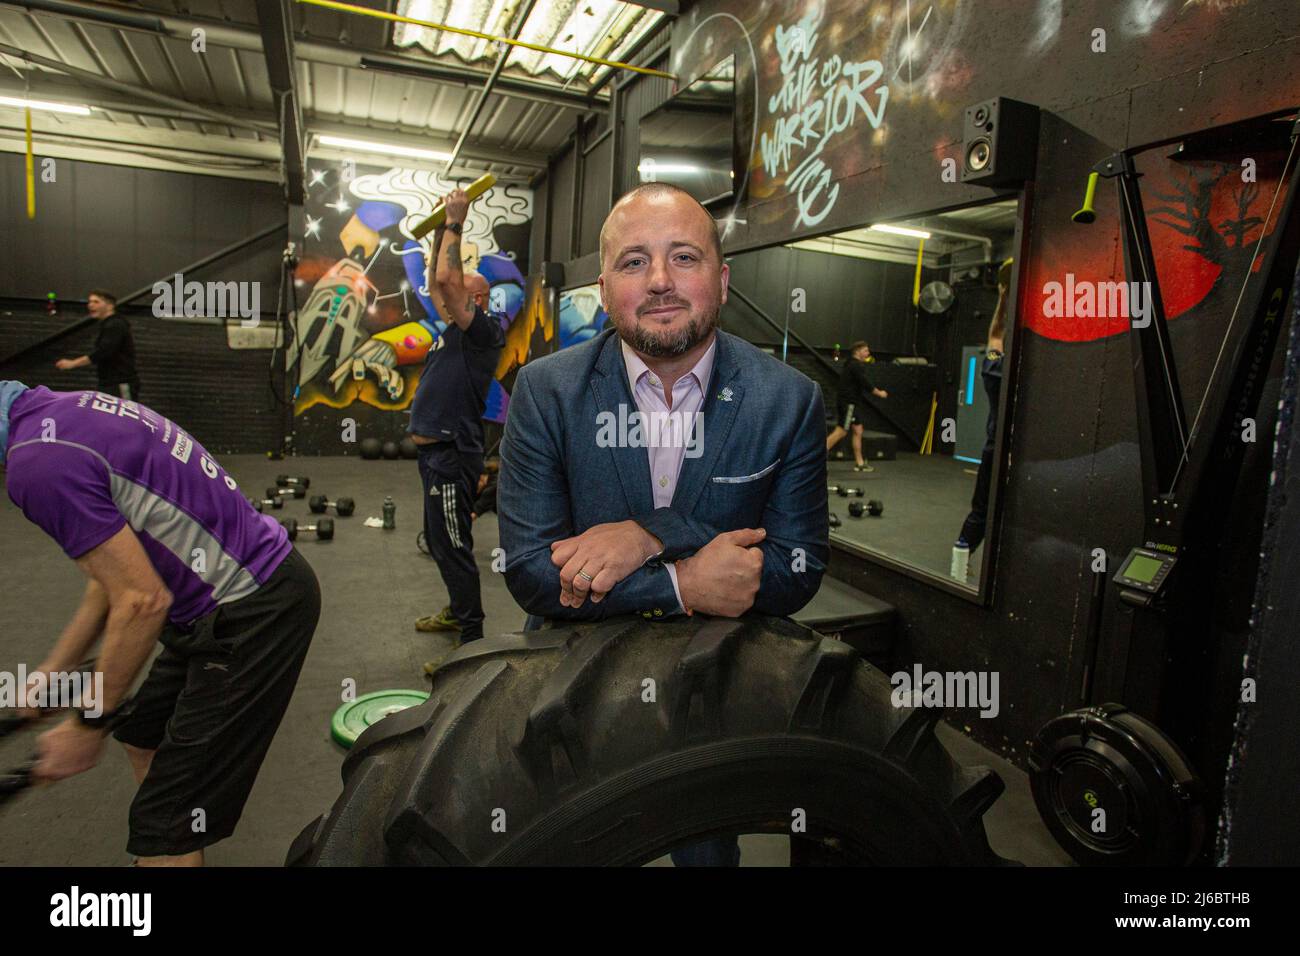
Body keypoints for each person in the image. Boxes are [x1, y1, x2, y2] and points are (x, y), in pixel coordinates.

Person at [497, 182, 828, 866]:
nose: (659, 282)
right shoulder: (544, 391)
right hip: (571, 679)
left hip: (710, 686)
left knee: (706, 854)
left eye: (684, 257)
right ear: (604, 286)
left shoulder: (788, 400)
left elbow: (798, 566)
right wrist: (681, 582)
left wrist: (649, 533)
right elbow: (532, 572)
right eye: (633, 262)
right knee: (562, 846)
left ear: (723, 278)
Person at [0, 380, 319, 866]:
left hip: (255, 610)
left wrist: (88, 725)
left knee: (163, 823)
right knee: (143, 736)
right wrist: (55, 671)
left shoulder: (38, 467)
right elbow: (114, 576)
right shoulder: (64, 411)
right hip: (211, 605)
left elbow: (142, 601)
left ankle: (169, 845)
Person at [409, 189, 505, 647]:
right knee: (440, 541)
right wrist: (434, 236)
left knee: (453, 546)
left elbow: (448, 280)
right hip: (434, 457)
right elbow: (437, 282)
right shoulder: (453, 330)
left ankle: (471, 641)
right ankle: (455, 613)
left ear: (478, 299)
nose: (448, 299)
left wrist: (455, 221)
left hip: (452, 455)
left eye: (461, 295)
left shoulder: (484, 333)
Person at [952, 260, 1012, 579]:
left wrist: (1003, 298)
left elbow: (996, 334)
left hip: (994, 453)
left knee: (982, 510)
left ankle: (960, 562)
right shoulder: (1015, 376)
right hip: (1021, 459)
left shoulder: (994, 371)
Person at [55, 290, 141, 402]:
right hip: (109, 382)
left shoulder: (115, 324)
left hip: (120, 382)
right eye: (90, 302)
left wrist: (72, 363)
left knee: (124, 417)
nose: (90, 305)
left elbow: (103, 351)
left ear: (110, 306)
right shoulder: (109, 324)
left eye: (96, 302)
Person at [825, 341, 888, 472]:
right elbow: (866, 383)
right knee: (841, 431)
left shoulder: (852, 364)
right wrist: (879, 393)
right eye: (865, 351)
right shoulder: (855, 366)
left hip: (850, 403)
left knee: (858, 430)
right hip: (849, 404)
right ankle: (815, 457)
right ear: (857, 351)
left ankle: (859, 463)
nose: (868, 353)